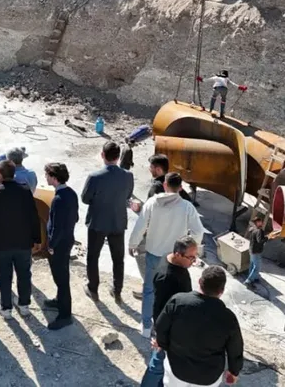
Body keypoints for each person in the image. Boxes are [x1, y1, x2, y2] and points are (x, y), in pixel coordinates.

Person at [129, 172, 205, 336]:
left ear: (164, 184)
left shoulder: (152, 203)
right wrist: (191, 250)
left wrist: (133, 243)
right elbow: (198, 232)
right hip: (176, 258)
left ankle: (146, 326)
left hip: (154, 253)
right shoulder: (186, 207)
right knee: (173, 293)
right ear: (180, 187)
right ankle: (168, 327)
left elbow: (140, 225)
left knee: (149, 289)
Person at [155, 266, 244, 387]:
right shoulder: (228, 318)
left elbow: (160, 327)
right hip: (208, 377)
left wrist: (163, 345)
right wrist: (234, 371)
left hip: (176, 369)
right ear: (221, 291)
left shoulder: (178, 301)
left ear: (199, 282)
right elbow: (236, 349)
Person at [0, 159, 41, 319]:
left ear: (0, 175)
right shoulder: (24, 191)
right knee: (24, 274)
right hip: (23, 243)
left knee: (4, 275)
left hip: (1, 244)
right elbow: (33, 217)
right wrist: (36, 239)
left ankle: (6, 308)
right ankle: (24, 306)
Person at [140, 236, 199, 387]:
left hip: (175, 327)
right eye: (191, 258)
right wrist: (161, 337)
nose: (194, 261)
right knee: (157, 365)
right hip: (168, 331)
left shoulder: (175, 261)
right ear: (178, 254)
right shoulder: (166, 278)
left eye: (195, 257)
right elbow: (159, 310)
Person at [81, 141, 135, 303]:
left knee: (93, 256)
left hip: (98, 221)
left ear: (102, 155)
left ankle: (93, 288)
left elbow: (85, 199)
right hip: (118, 221)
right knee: (118, 258)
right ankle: (117, 290)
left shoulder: (94, 177)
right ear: (118, 157)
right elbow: (127, 196)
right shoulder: (128, 176)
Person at [44, 162, 79, 330]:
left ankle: (65, 315)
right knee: (61, 276)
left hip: (59, 245)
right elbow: (76, 218)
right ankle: (59, 301)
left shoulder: (58, 199)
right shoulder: (71, 193)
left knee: (61, 278)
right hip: (68, 240)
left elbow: (56, 227)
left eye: (48, 175)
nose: (46, 178)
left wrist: (51, 245)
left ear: (54, 178)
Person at [244, 214, 279, 287]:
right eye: (260, 222)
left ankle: (255, 277)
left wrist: (267, 236)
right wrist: (268, 238)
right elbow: (260, 240)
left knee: (252, 265)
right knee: (257, 267)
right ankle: (249, 280)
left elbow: (258, 239)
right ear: (258, 223)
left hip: (251, 250)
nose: (261, 223)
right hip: (256, 251)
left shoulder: (253, 229)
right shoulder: (259, 231)